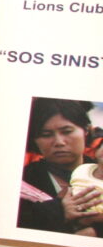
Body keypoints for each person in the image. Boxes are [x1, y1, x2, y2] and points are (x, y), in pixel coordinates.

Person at [18, 99, 102, 236]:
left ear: (86, 130)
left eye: (67, 131)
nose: (59, 142)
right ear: (34, 139)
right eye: (46, 135)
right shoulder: (22, 182)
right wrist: (58, 212)